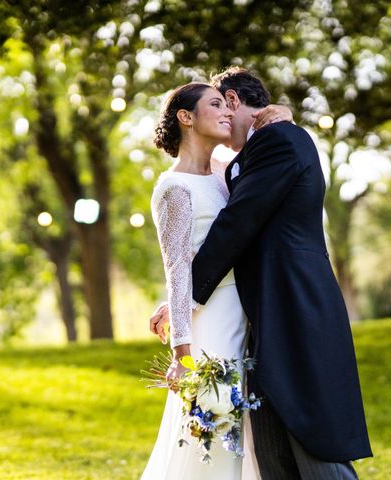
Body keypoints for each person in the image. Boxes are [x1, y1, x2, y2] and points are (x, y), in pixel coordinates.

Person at [149, 67, 373, 479]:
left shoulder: (278, 141)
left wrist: (188, 297)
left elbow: (237, 224)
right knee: (257, 434)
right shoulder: (232, 162)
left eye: (221, 103)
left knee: (308, 434)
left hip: (291, 302)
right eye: (210, 106)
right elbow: (191, 250)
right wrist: (180, 307)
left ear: (234, 102)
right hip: (248, 313)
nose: (219, 114)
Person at [140, 81, 293, 480]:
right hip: (212, 329)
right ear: (186, 118)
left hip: (246, 316)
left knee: (249, 438)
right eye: (215, 104)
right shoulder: (173, 189)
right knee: (214, 439)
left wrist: (284, 115)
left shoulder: (227, 174)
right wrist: (181, 356)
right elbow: (176, 269)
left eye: (228, 105)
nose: (227, 111)